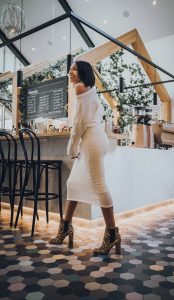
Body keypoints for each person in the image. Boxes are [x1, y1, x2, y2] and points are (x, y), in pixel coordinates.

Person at [49, 60, 121, 255]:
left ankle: (112, 234)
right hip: (95, 140)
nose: (70, 71)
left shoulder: (81, 88)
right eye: (70, 68)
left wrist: (71, 148)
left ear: (83, 72)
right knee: (73, 184)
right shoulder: (88, 89)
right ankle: (66, 227)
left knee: (99, 185)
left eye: (74, 68)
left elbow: (79, 125)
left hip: (91, 142)